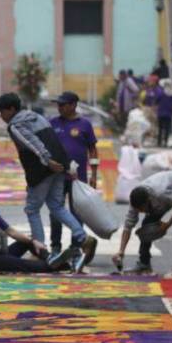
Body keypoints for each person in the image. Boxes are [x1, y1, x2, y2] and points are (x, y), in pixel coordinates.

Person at [0, 93, 97, 273]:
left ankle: (39, 249)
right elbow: (54, 140)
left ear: (11, 109)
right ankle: (82, 237)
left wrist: (47, 161)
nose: (1, 116)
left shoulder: (15, 125)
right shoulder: (37, 117)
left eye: (2, 112)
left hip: (42, 168)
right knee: (56, 206)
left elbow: (32, 143)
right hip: (60, 166)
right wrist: (63, 165)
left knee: (32, 209)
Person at [113, 170, 172, 274]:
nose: (141, 212)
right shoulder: (135, 202)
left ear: (148, 201)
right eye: (139, 210)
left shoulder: (160, 193)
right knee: (146, 227)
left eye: (142, 209)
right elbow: (127, 227)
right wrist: (121, 251)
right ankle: (144, 264)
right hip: (165, 197)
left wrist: (167, 224)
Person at [49, 92, 99, 262]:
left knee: (77, 212)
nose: (59, 108)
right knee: (55, 212)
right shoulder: (53, 123)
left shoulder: (85, 125)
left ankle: (76, 247)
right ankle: (55, 247)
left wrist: (94, 174)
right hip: (56, 177)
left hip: (78, 179)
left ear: (73, 105)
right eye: (58, 105)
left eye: (62, 105)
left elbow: (93, 150)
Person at [154, 79, 172, 148]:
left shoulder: (161, 93)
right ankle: (165, 142)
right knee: (167, 129)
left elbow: (156, 101)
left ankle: (159, 142)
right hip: (169, 114)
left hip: (160, 113)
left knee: (160, 128)